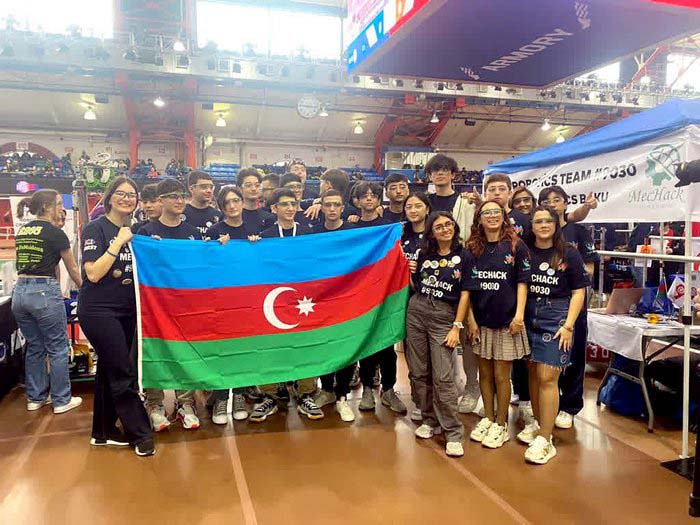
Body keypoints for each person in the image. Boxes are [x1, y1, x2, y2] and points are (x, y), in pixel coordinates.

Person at [78, 176, 155, 456]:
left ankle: (103, 431)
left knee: (109, 370)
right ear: (110, 197)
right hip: (99, 311)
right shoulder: (95, 228)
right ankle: (140, 433)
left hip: (127, 311)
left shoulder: (137, 231)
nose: (126, 198)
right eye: (121, 193)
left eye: (131, 194)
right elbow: (93, 273)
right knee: (123, 371)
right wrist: (118, 242)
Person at [519, 206, 588, 464]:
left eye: (548, 220)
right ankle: (540, 426)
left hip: (556, 318)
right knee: (533, 373)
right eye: (538, 221)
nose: (544, 225)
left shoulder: (569, 252)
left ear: (556, 224)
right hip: (528, 315)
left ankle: (546, 440)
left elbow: (579, 292)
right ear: (532, 226)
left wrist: (568, 325)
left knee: (548, 376)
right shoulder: (525, 251)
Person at [249, 188, 324, 422]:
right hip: (274, 300)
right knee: (271, 346)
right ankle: (270, 396)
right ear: (274, 208)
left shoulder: (308, 233)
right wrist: (251, 247)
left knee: (305, 345)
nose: (290, 208)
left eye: (293, 203)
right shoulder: (265, 236)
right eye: (285, 204)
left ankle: (305, 394)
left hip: (304, 300)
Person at [463, 200, 531, 449]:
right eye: (486, 213)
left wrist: (519, 315)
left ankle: (501, 425)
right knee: (484, 374)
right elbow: (466, 289)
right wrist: (470, 320)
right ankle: (489, 419)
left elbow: (523, 283)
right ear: (479, 219)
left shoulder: (516, 246)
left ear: (504, 216)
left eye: (496, 212)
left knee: (502, 376)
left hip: (507, 322)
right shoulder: (471, 248)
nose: (491, 216)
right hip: (481, 322)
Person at [138, 179, 202, 431]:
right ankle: (155, 404)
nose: (179, 200)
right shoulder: (145, 233)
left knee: (184, 351)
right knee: (154, 349)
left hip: (185, 304)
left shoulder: (193, 233)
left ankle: (185, 403)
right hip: (155, 305)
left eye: (182, 196)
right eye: (173, 196)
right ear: (161, 200)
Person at [12, 189, 83, 415]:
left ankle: (35, 398)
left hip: (20, 292)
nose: (62, 208)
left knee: (35, 346)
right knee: (58, 348)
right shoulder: (55, 233)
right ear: (47, 207)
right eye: (59, 203)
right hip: (43, 292)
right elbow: (72, 268)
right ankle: (61, 399)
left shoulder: (23, 230)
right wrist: (85, 289)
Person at [406, 211, 470, 458]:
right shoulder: (424, 254)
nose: (445, 229)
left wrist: (457, 326)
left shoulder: (464, 256)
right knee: (418, 371)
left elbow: (465, 294)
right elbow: (416, 285)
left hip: (444, 315)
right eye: (439, 226)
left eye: (448, 224)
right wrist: (409, 273)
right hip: (417, 309)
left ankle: (453, 432)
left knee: (443, 376)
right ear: (431, 232)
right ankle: (429, 419)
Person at [538, 186, 598, 430]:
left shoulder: (578, 232)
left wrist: (568, 280)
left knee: (573, 355)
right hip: (543, 306)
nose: (552, 204)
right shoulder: (537, 232)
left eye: (557, 200)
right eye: (546, 201)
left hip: (573, 304)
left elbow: (589, 269)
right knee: (544, 359)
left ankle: (570, 406)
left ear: (565, 204)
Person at [352, 181, 407, 413]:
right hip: (360, 295)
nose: (369, 199)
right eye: (364, 196)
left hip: (386, 293)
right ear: (356, 201)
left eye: (373, 195)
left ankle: (388, 389)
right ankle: (367, 388)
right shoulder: (351, 227)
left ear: (378, 199)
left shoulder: (389, 227)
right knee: (366, 343)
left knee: (386, 345)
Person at [205, 185, 252, 424]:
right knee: (222, 350)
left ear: (242, 202)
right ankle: (221, 398)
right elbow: (205, 264)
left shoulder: (254, 229)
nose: (232, 206)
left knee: (243, 350)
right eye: (227, 203)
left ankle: (240, 395)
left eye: (236, 200)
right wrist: (216, 249)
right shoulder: (214, 231)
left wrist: (257, 245)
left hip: (248, 300)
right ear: (221, 207)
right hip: (222, 301)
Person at [310, 190, 356, 422]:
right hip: (319, 300)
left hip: (347, 299)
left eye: (336, 204)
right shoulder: (313, 233)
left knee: (347, 346)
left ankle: (342, 396)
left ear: (343, 208)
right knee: (323, 346)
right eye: (327, 204)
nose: (331, 209)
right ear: (322, 207)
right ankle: (327, 389)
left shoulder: (353, 232)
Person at [401, 192, 430, 421]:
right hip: (404, 302)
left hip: (432, 301)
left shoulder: (435, 234)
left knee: (436, 357)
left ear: (427, 209)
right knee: (414, 356)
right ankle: (420, 401)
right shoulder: (400, 234)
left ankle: (438, 401)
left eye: (417, 206)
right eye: (409, 206)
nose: (413, 210)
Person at [238, 168, 275, 236]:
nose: (254, 189)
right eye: (248, 185)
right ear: (240, 189)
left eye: (257, 185)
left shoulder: (269, 218)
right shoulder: (232, 216)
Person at [183, 171, 221, 236]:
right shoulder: (181, 213)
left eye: (211, 187)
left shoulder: (218, 215)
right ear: (191, 189)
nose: (209, 191)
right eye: (204, 187)